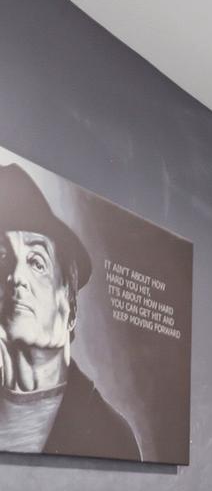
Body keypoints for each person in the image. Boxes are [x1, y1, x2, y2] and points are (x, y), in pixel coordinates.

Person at [0, 163, 140, 459]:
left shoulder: (112, 435)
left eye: (36, 262)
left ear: (71, 308)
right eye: (3, 258)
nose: (15, 276)